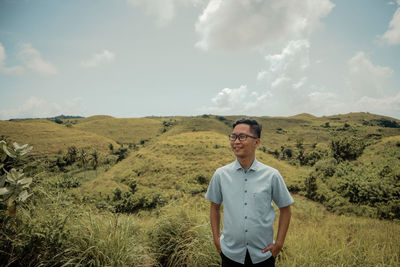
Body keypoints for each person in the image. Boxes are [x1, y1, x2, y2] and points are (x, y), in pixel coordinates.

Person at [205, 118, 294, 266]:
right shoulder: (220, 175)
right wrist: (216, 240)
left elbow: (285, 209)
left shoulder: (272, 175)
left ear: (256, 142)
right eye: (233, 137)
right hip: (230, 254)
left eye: (242, 137)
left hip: (263, 255)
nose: (236, 141)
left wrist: (278, 244)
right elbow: (214, 207)